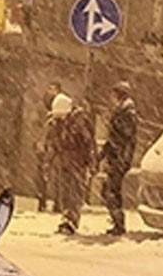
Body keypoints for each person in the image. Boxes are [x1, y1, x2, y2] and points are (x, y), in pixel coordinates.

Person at [46, 92, 94, 235]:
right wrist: (49, 161)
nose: (59, 118)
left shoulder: (79, 122)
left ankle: (71, 220)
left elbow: (88, 144)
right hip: (64, 162)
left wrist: (90, 163)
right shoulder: (56, 124)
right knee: (65, 192)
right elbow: (53, 144)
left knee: (74, 192)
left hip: (78, 163)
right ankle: (66, 217)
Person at [99, 81, 138, 236]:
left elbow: (124, 138)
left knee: (110, 190)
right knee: (110, 190)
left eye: (113, 95)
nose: (111, 98)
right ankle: (117, 221)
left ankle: (118, 223)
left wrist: (119, 156)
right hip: (117, 157)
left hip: (119, 158)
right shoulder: (122, 112)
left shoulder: (127, 114)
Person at [35, 81, 62, 212]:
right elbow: (40, 125)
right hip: (46, 145)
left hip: (54, 145)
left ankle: (56, 201)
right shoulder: (44, 105)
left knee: (55, 175)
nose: (50, 92)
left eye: (53, 89)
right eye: (49, 89)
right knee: (42, 174)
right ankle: (42, 200)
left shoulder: (60, 105)